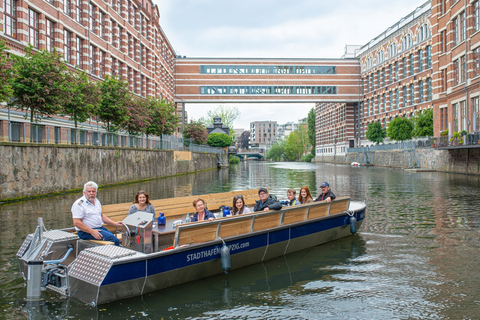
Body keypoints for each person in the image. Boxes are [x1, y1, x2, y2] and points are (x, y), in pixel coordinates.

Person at [71, 181, 123, 245]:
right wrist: (92, 231)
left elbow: (101, 216)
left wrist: (115, 223)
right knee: (114, 240)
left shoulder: (96, 201)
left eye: (93, 191)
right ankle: (115, 254)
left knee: (115, 237)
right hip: (85, 231)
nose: (91, 193)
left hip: (99, 228)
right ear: (84, 192)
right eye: (89, 191)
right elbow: (76, 222)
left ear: (96, 192)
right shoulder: (79, 204)